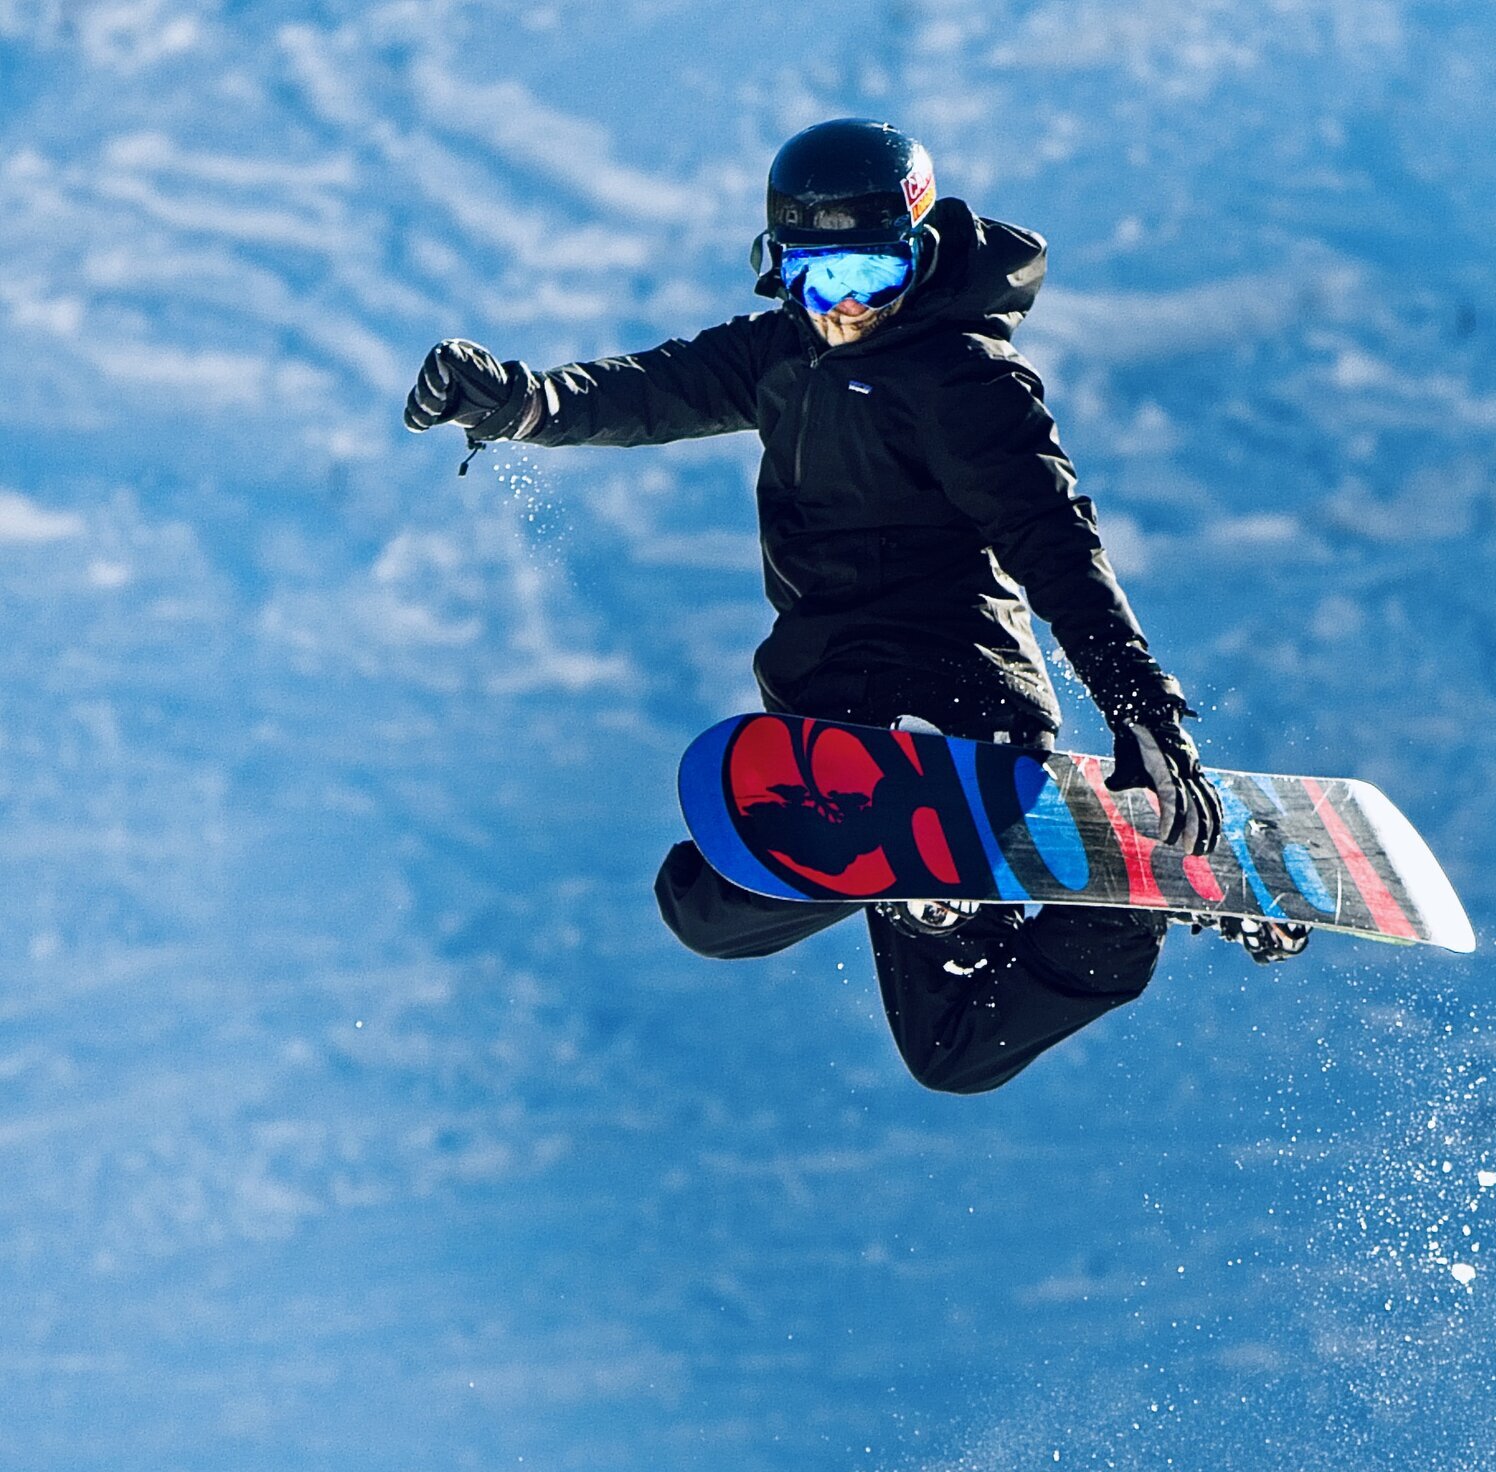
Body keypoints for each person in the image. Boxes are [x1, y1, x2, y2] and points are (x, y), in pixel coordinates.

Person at [403, 117, 1305, 1096]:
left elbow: (1056, 538)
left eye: (866, 277)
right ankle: (1093, 906)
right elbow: (646, 391)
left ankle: (935, 864)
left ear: (918, 256)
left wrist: (1139, 704)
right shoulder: (781, 356)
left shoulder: (966, 377)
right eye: (814, 279)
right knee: (941, 1039)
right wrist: (515, 402)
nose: (841, 309)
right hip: (863, 744)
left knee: (711, 901)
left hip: (939, 704)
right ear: (777, 271)